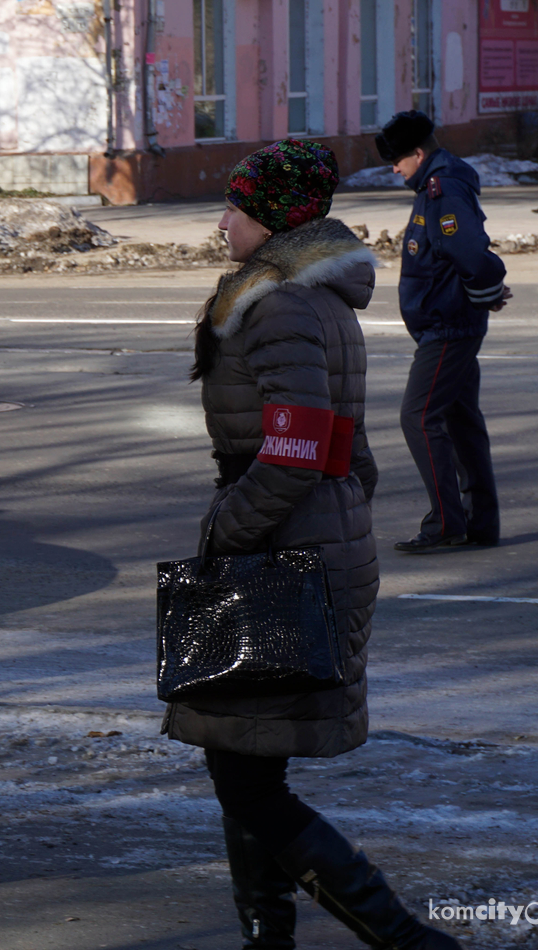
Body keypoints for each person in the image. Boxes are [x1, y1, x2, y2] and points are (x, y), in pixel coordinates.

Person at [173, 139, 462, 950]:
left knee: (245, 774)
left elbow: (295, 449)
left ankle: (401, 936)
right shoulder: (313, 299)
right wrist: (336, 515)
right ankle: (269, 932)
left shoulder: (282, 305)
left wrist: (229, 531)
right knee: (242, 756)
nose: (222, 219)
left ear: (270, 219)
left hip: (272, 546)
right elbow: (352, 453)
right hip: (300, 536)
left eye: (236, 206)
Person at [376, 110, 510, 553]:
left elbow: (464, 247)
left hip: (448, 323)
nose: (394, 169)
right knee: (460, 418)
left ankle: (446, 524)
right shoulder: (437, 181)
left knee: (418, 416)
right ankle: (480, 523)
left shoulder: (443, 185)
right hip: (448, 319)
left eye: (398, 160)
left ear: (418, 153)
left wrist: (486, 286)